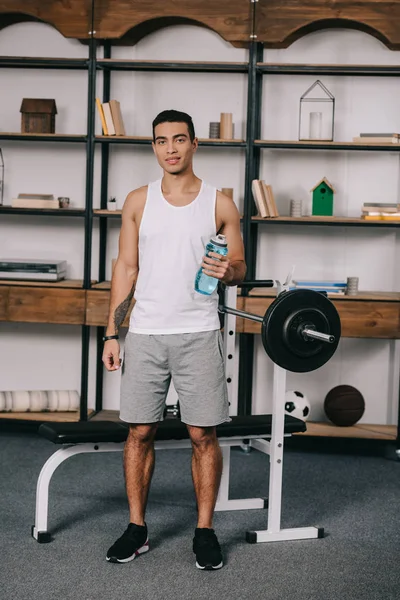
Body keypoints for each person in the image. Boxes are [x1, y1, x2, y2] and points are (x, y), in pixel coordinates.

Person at [102, 109, 246, 570]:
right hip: (145, 333)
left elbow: (240, 266)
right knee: (139, 431)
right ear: (153, 147)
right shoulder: (138, 201)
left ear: (194, 144)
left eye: (179, 139)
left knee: (202, 434)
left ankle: (204, 531)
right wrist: (112, 332)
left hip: (199, 333)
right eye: (162, 141)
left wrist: (229, 270)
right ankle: (137, 527)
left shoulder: (219, 204)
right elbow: (125, 269)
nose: (171, 149)